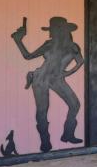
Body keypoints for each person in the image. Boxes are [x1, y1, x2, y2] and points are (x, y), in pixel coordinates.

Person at [11, 16, 84, 152]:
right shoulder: (49, 44)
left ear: (61, 30)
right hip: (41, 78)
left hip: (57, 79)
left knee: (75, 105)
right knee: (42, 111)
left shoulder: (73, 47)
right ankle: (45, 142)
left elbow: (80, 61)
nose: (50, 33)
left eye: (52, 30)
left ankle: (68, 135)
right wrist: (18, 40)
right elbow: (28, 56)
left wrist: (67, 73)